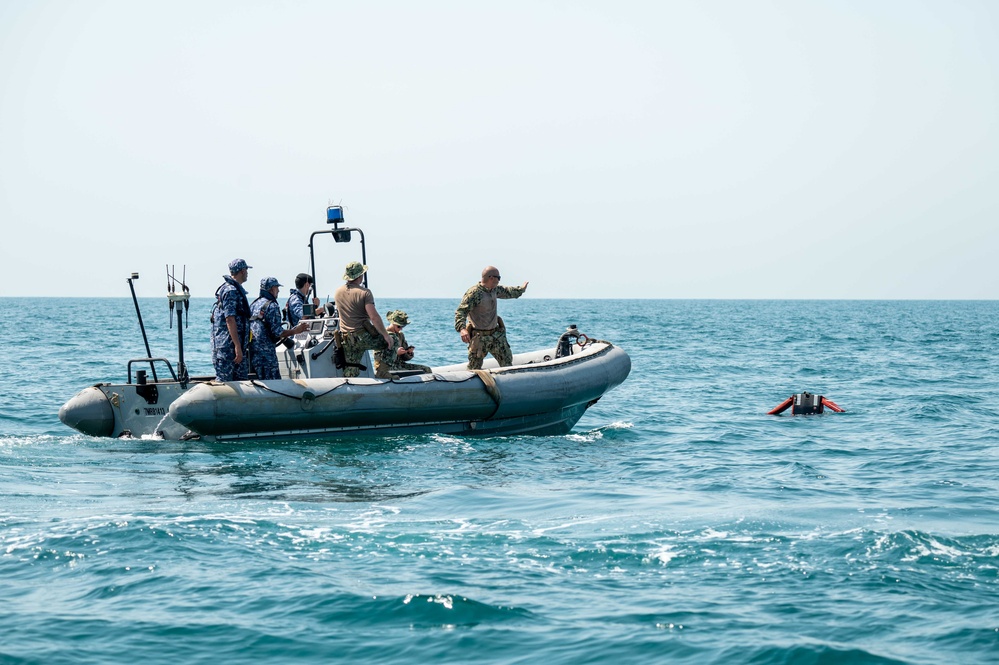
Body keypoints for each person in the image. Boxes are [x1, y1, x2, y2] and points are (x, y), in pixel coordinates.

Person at [454, 266, 528, 370]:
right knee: (474, 368)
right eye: (499, 277)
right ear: (491, 278)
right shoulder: (474, 293)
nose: (499, 280)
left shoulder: (494, 290)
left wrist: (521, 290)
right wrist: (462, 329)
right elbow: (461, 311)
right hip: (479, 338)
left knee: (507, 363)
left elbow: (508, 291)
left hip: (496, 336)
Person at [333, 261, 394, 378]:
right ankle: (382, 372)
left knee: (352, 367)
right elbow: (374, 317)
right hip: (363, 337)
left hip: (346, 339)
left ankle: (349, 386)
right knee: (393, 340)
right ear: (360, 276)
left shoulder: (337, 292)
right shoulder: (365, 293)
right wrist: (386, 335)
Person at [250, 277, 309, 380]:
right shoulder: (272, 306)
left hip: (253, 352)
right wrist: (296, 331)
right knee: (273, 381)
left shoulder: (254, 304)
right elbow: (278, 332)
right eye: (277, 288)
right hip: (266, 354)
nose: (278, 290)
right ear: (272, 289)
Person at [211, 258, 253, 382]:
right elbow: (230, 319)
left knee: (242, 382)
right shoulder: (230, 291)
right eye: (246, 270)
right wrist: (237, 346)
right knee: (225, 382)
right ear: (242, 271)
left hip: (236, 347)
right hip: (228, 348)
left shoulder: (236, 290)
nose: (247, 273)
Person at [375, 310, 432, 376]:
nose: (401, 329)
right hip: (387, 367)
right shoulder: (383, 335)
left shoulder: (400, 335)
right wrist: (395, 352)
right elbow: (378, 357)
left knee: (426, 370)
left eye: (403, 326)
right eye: (399, 326)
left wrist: (408, 352)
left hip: (400, 365)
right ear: (393, 323)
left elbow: (404, 358)